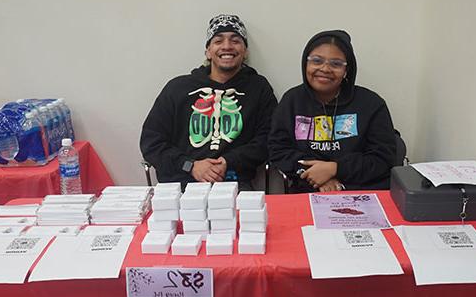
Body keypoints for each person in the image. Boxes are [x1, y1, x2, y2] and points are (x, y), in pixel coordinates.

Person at [140, 14, 277, 190]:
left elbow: (268, 139)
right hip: (180, 182)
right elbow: (151, 141)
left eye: (235, 40)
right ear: (208, 51)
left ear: (245, 51)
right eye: (218, 41)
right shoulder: (177, 88)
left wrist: (228, 161)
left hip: (234, 181)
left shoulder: (258, 88)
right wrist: (190, 165)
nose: (227, 46)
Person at [269, 30, 396, 193]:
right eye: (316, 61)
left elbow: (383, 159)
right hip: (307, 190)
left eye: (336, 64)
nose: (325, 69)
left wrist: (335, 169)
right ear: (305, 64)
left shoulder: (371, 104)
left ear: (346, 70)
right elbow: (278, 150)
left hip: (362, 190)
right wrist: (314, 176)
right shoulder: (292, 101)